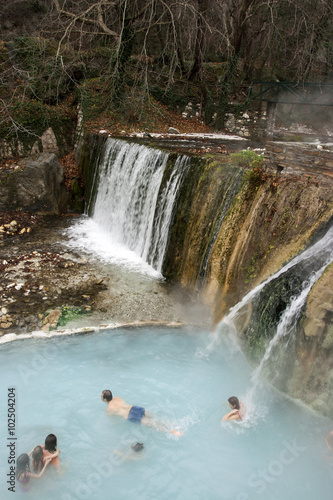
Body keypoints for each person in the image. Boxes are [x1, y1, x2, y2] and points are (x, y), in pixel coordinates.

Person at [101, 390, 182, 435]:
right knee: (154, 418)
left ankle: (172, 432)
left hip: (131, 416)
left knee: (153, 425)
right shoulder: (117, 397)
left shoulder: (108, 410)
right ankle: (171, 424)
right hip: (135, 408)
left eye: (101, 396)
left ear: (105, 400)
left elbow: (114, 422)